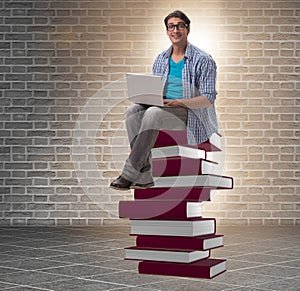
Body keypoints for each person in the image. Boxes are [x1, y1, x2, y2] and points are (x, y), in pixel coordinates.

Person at [110, 10, 218, 191]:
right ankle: (144, 174)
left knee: (153, 113)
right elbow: (156, 89)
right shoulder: (161, 58)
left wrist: (180, 102)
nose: (175, 30)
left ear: (188, 29)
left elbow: (207, 99)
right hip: (164, 107)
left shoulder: (203, 60)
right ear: (167, 31)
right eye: (171, 26)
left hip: (190, 113)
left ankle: (129, 173)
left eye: (180, 26)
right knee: (131, 111)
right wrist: (148, 97)